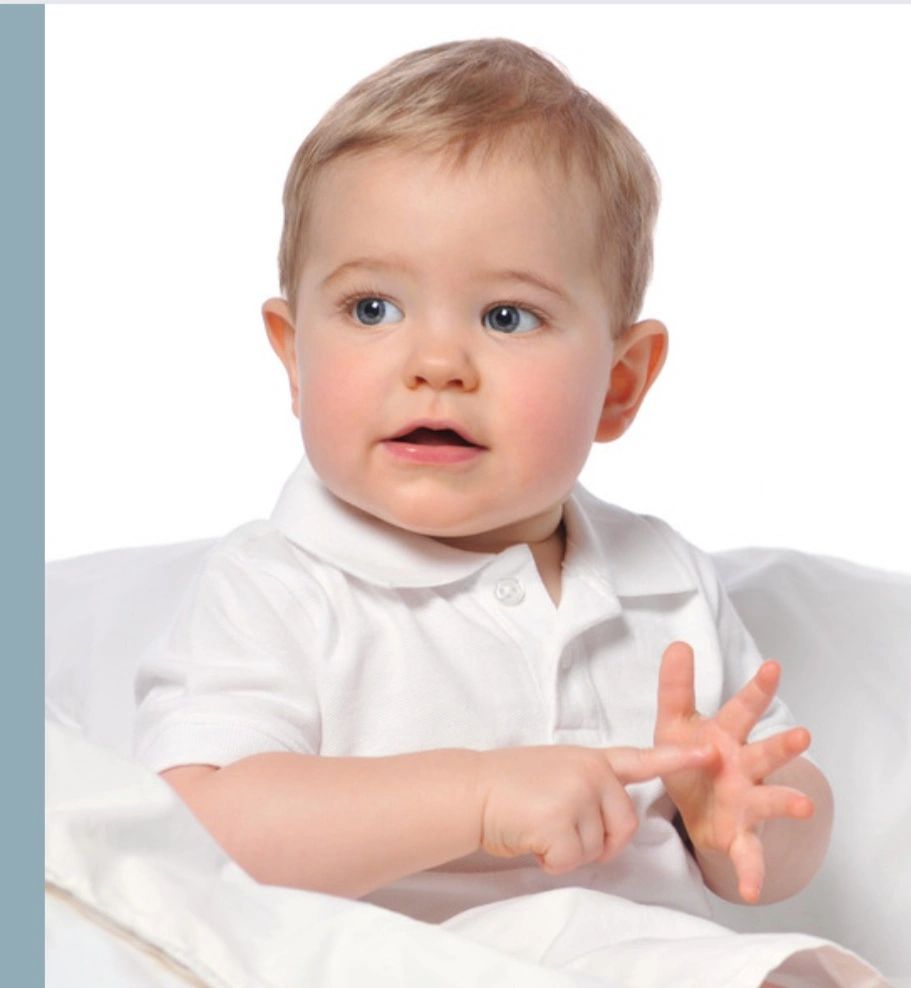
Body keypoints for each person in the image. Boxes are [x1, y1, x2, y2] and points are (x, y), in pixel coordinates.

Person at [133, 37, 833, 931]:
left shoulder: (664, 584)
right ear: (293, 357)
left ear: (619, 384)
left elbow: (771, 858)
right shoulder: (278, 588)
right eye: (371, 308)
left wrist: (733, 815)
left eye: (507, 316)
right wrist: (475, 798)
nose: (435, 363)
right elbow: (197, 830)